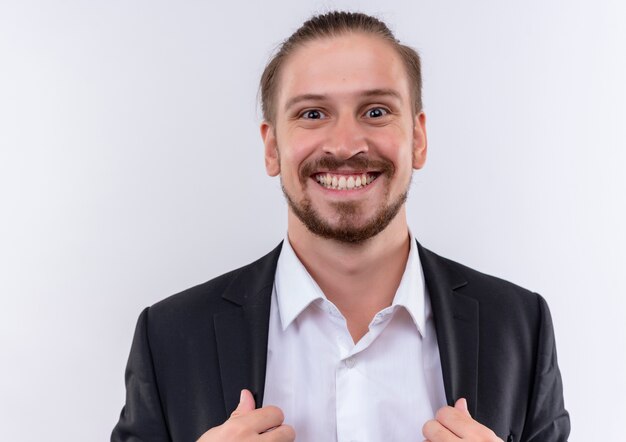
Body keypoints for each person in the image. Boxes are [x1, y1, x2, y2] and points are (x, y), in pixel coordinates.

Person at [111, 11, 569, 442]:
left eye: (375, 111)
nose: (346, 144)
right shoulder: (168, 337)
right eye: (312, 114)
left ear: (418, 138)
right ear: (272, 148)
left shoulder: (520, 326)